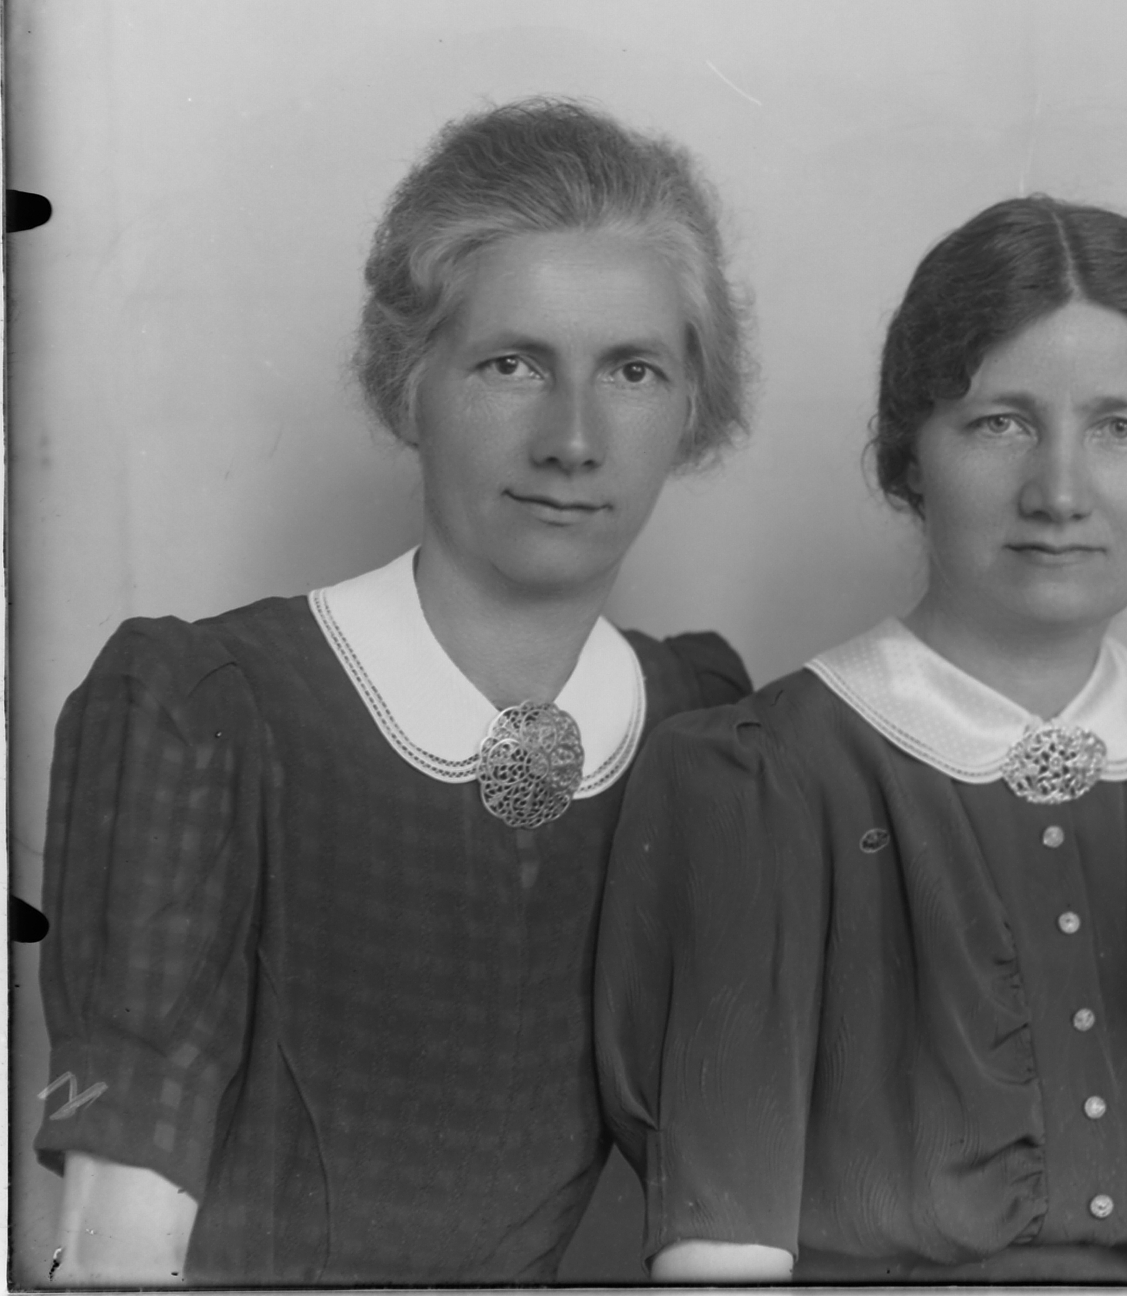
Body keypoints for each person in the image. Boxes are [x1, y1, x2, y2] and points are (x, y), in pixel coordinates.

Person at [34, 97, 755, 1285]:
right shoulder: (207, 709)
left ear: (691, 407)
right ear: (406, 379)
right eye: (512, 364)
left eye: (633, 370)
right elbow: (119, 1238)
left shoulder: (703, 723)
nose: (574, 439)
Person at [596, 196, 1127, 1283]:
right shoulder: (764, 778)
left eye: (1119, 427)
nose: (1058, 492)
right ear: (910, 453)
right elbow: (719, 1255)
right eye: (999, 423)